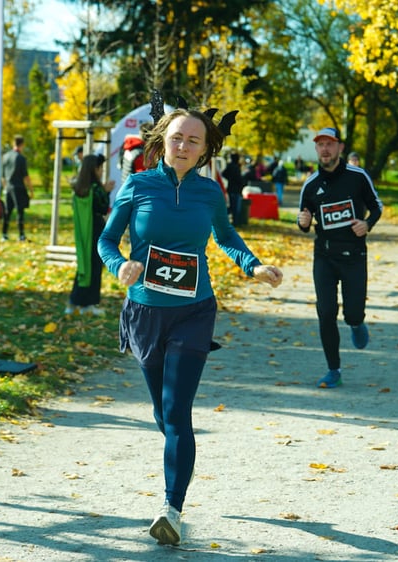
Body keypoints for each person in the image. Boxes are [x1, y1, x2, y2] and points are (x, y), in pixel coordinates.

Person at [98, 108, 284, 546]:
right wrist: (119, 265)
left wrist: (252, 266)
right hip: (145, 312)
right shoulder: (138, 186)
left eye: (193, 141)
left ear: (205, 149)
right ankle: (179, 461)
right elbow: (106, 239)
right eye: (177, 138)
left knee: (178, 412)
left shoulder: (209, 192)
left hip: (194, 310)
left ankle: (171, 509)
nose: (183, 147)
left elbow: (225, 236)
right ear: (164, 140)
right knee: (164, 415)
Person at [296, 127, 383, 389]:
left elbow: (376, 206)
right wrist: (302, 222)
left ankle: (356, 323)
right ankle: (333, 370)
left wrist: (367, 224)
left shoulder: (358, 177)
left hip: (354, 255)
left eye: (330, 144)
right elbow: (304, 218)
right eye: (320, 144)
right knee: (325, 312)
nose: (325, 149)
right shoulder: (310, 184)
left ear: (340, 147)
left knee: (353, 313)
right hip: (324, 256)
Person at [66, 153, 114, 316]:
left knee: (84, 266)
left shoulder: (79, 188)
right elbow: (102, 208)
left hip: (83, 232)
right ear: (94, 169)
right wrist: (106, 191)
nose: (101, 171)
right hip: (95, 230)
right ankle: (88, 303)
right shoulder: (96, 189)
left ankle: (74, 302)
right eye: (100, 168)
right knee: (93, 267)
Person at [1, 134, 33, 241]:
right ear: (22, 145)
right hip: (18, 187)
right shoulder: (21, 158)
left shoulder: (5, 157)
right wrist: (31, 190)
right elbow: (26, 176)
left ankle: (4, 234)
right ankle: (21, 234)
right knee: (20, 211)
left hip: (8, 187)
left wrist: (5, 187)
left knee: (7, 211)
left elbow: (2, 176)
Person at [220, 152, 245, 225]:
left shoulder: (230, 166)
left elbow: (224, 173)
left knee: (231, 206)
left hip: (231, 188)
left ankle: (230, 221)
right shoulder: (236, 167)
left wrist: (230, 178)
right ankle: (235, 222)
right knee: (235, 208)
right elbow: (239, 179)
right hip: (236, 189)